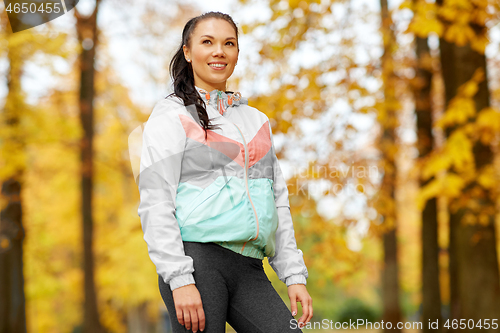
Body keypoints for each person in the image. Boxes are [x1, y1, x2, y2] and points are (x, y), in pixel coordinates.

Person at [133, 11, 313, 333]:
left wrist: (293, 274)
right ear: (188, 52)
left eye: (229, 43)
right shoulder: (172, 115)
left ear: (237, 53)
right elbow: (156, 201)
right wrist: (180, 279)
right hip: (197, 263)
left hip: (249, 268)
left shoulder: (255, 121)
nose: (219, 51)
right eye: (207, 42)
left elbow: (278, 202)